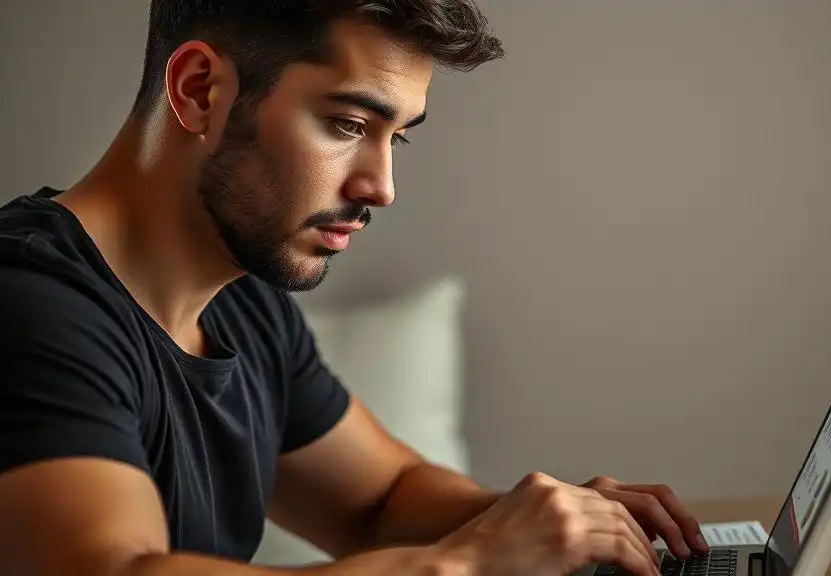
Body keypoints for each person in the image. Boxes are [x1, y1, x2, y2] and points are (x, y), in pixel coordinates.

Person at [0, 1, 709, 575]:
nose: (381, 187)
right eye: (347, 124)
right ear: (198, 90)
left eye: (394, 137)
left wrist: (551, 523)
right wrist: (465, 565)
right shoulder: (28, 304)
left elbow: (377, 500)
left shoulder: (242, 298)